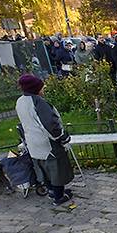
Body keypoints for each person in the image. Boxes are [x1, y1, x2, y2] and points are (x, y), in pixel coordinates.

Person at [15, 74, 74, 206]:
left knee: (43, 167)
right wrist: (62, 136)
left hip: (32, 141)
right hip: (47, 142)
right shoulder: (38, 102)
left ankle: (52, 191)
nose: (43, 90)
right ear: (35, 88)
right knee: (56, 168)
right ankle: (58, 197)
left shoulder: (20, 101)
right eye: (42, 88)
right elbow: (50, 124)